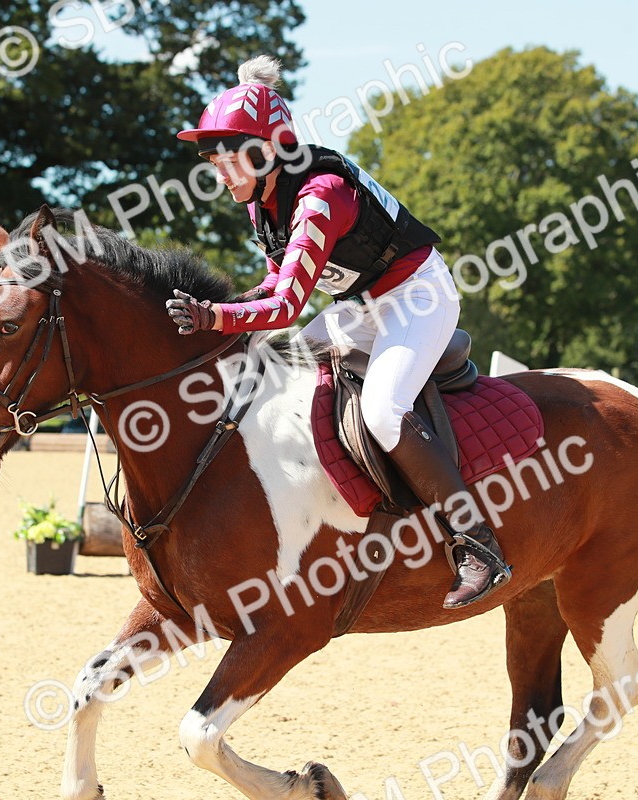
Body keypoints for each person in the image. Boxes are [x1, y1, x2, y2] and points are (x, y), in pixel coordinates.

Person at [167, 56, 510, 608]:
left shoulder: (320, 195)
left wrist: (215, 318)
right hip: (361, 304)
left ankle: (479, 545)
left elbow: (285, 306)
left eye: (228, 160)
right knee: (274, 370)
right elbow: (275, 282)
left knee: (382, 412)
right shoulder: (264, 202)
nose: (218, 173)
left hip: (417, 296)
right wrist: (219, 308)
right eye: (213, 161)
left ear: (266, 151)